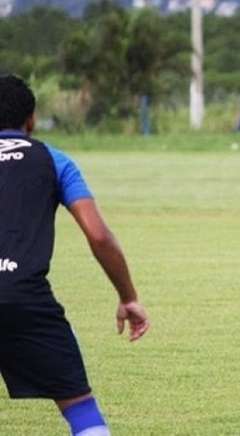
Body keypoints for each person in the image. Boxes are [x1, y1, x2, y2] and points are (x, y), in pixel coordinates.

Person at [0, 75, 150, 436]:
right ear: (31, 120)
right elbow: (98, 235)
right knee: (80, 407)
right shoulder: (53, 160)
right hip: (25, 297)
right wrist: (128, 297)